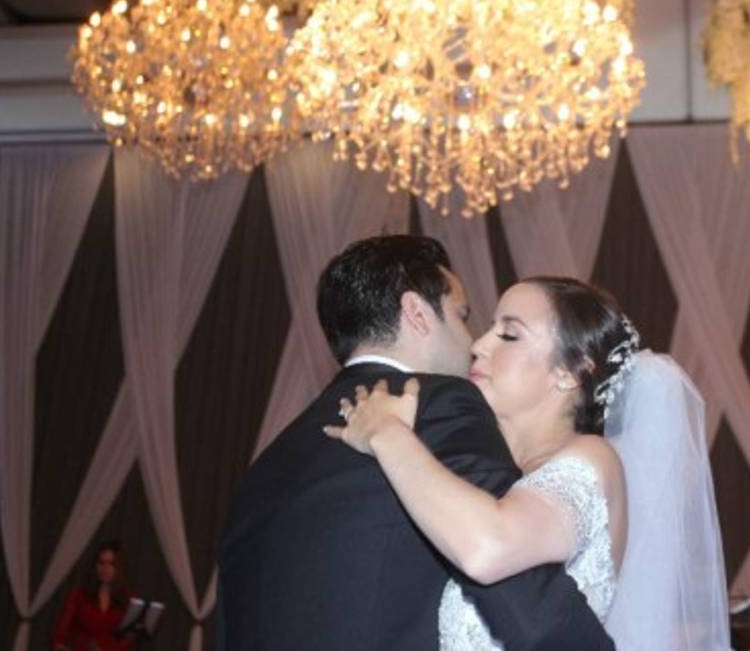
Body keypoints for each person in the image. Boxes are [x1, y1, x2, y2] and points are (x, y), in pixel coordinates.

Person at [216, 236, 614, 650]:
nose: (474, 343)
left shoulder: (265, 465)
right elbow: (521, 598)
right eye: (462, 317)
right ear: (417, 314)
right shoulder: (441, 404)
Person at [328, 276, 731, 649]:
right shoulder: (487, 469)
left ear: (570, 372)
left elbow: (489, 548)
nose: (479, 344)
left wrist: (388, 434)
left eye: (508, 334)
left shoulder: (592, 459)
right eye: (489, 328)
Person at [53, 540, 136, 651]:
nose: (105, 568)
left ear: (119, 567)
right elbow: (61, 632)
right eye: (101, 563)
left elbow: (128, 641)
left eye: (111, 564)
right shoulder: (79, 595)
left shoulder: (130, 599)